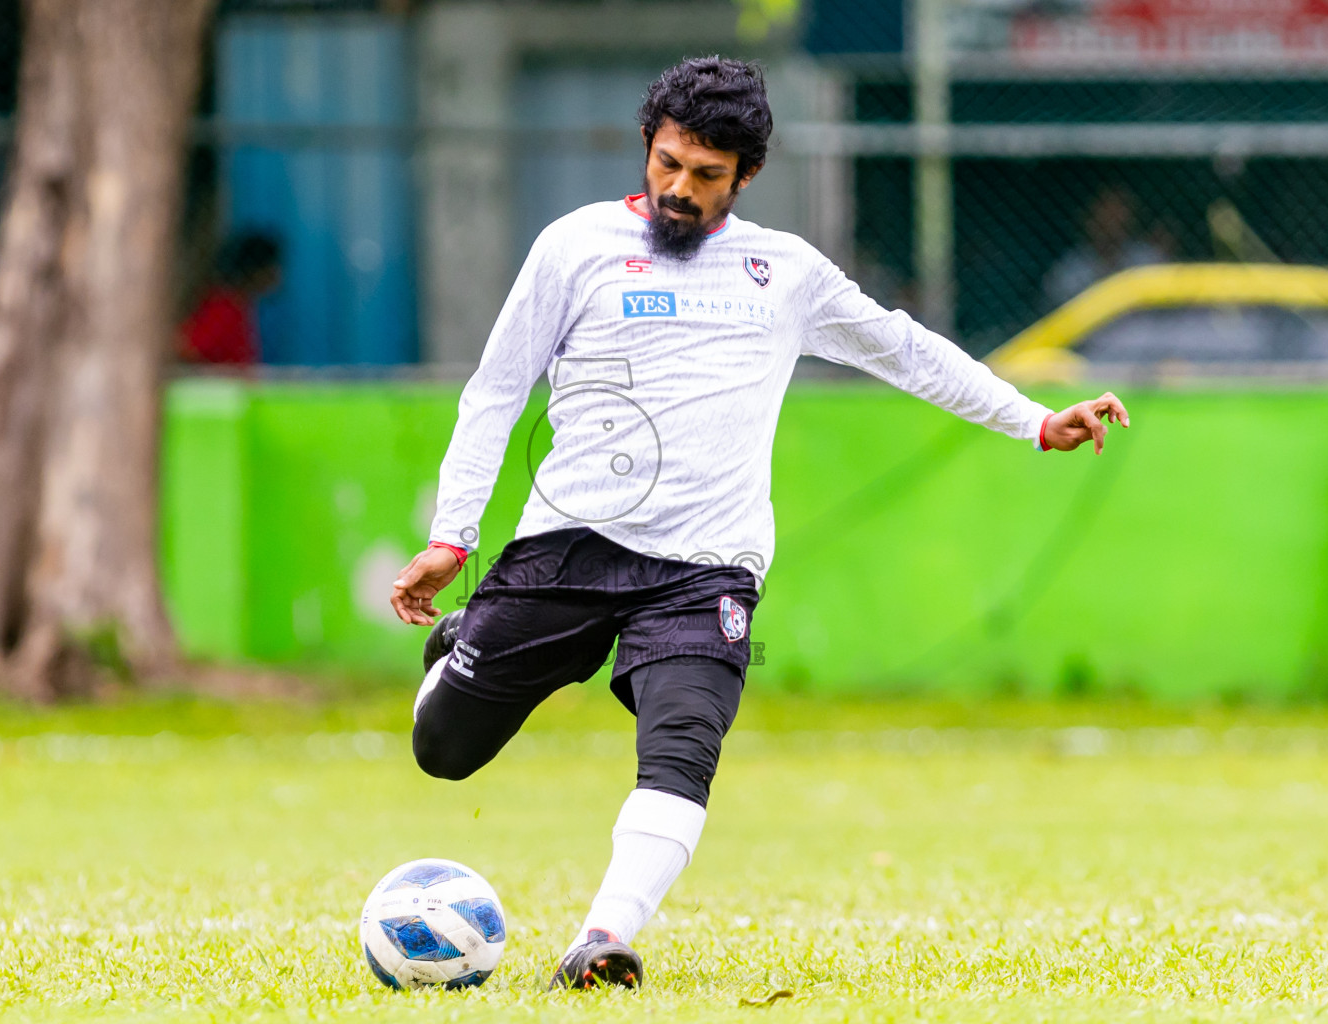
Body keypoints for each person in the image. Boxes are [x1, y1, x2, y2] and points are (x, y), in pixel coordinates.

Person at [389, 57, 1129, 991]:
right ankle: (463, 644)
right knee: (444, 752)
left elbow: (904, 349)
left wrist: (1030, 419)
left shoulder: (785, 273)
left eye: (706, 175)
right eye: (668, 164)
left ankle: (602, 939)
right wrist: (454, 538)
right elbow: (495, 394)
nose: (680, 190)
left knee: (686, 744)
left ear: (745, 177)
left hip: (707, 567)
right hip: (566, 548)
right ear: (648, 148)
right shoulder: (573, 247)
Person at [1043, 186, 1168, 309]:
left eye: (1120, 211)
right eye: (1107, 212)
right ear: (1089, 218)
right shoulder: (1068, 272)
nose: (1114, 219)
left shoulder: (1149, 260)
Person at [180, 231, 282, 365]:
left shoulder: (240, 305)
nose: (279, 276)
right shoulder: (224, 307)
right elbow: (187, 349)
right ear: (257, 271)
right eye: (273, 268)